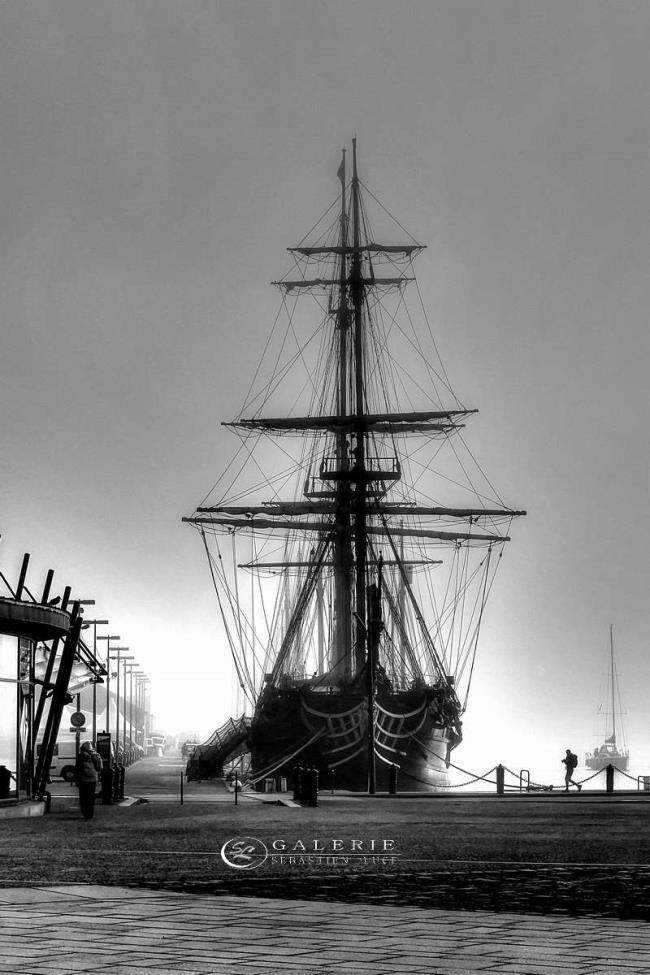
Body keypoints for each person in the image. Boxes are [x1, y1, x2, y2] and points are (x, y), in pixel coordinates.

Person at [74, 741, 103, 819]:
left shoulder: (80, 756)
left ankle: (85, 813)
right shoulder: (96, 755)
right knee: (90, 797)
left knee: (83, 797)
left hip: (83, 780)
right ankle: (90, 814)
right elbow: (99, 768)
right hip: (93, 779)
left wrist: (76, 780)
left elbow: (78, 769)